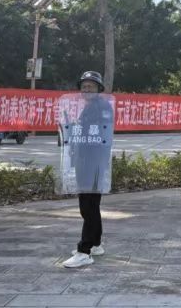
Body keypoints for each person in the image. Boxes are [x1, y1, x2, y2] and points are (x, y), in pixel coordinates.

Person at [61, 71, 113, 268]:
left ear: (99, 88)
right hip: (85, 161)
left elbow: (103, 135)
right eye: (84, 86)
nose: (87, 89)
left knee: (88, 207)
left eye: (91, 86)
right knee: (91, 206)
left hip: (94, 162)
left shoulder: (102, 107)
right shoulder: (90, 107)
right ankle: (95, 244)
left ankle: (84, 251)